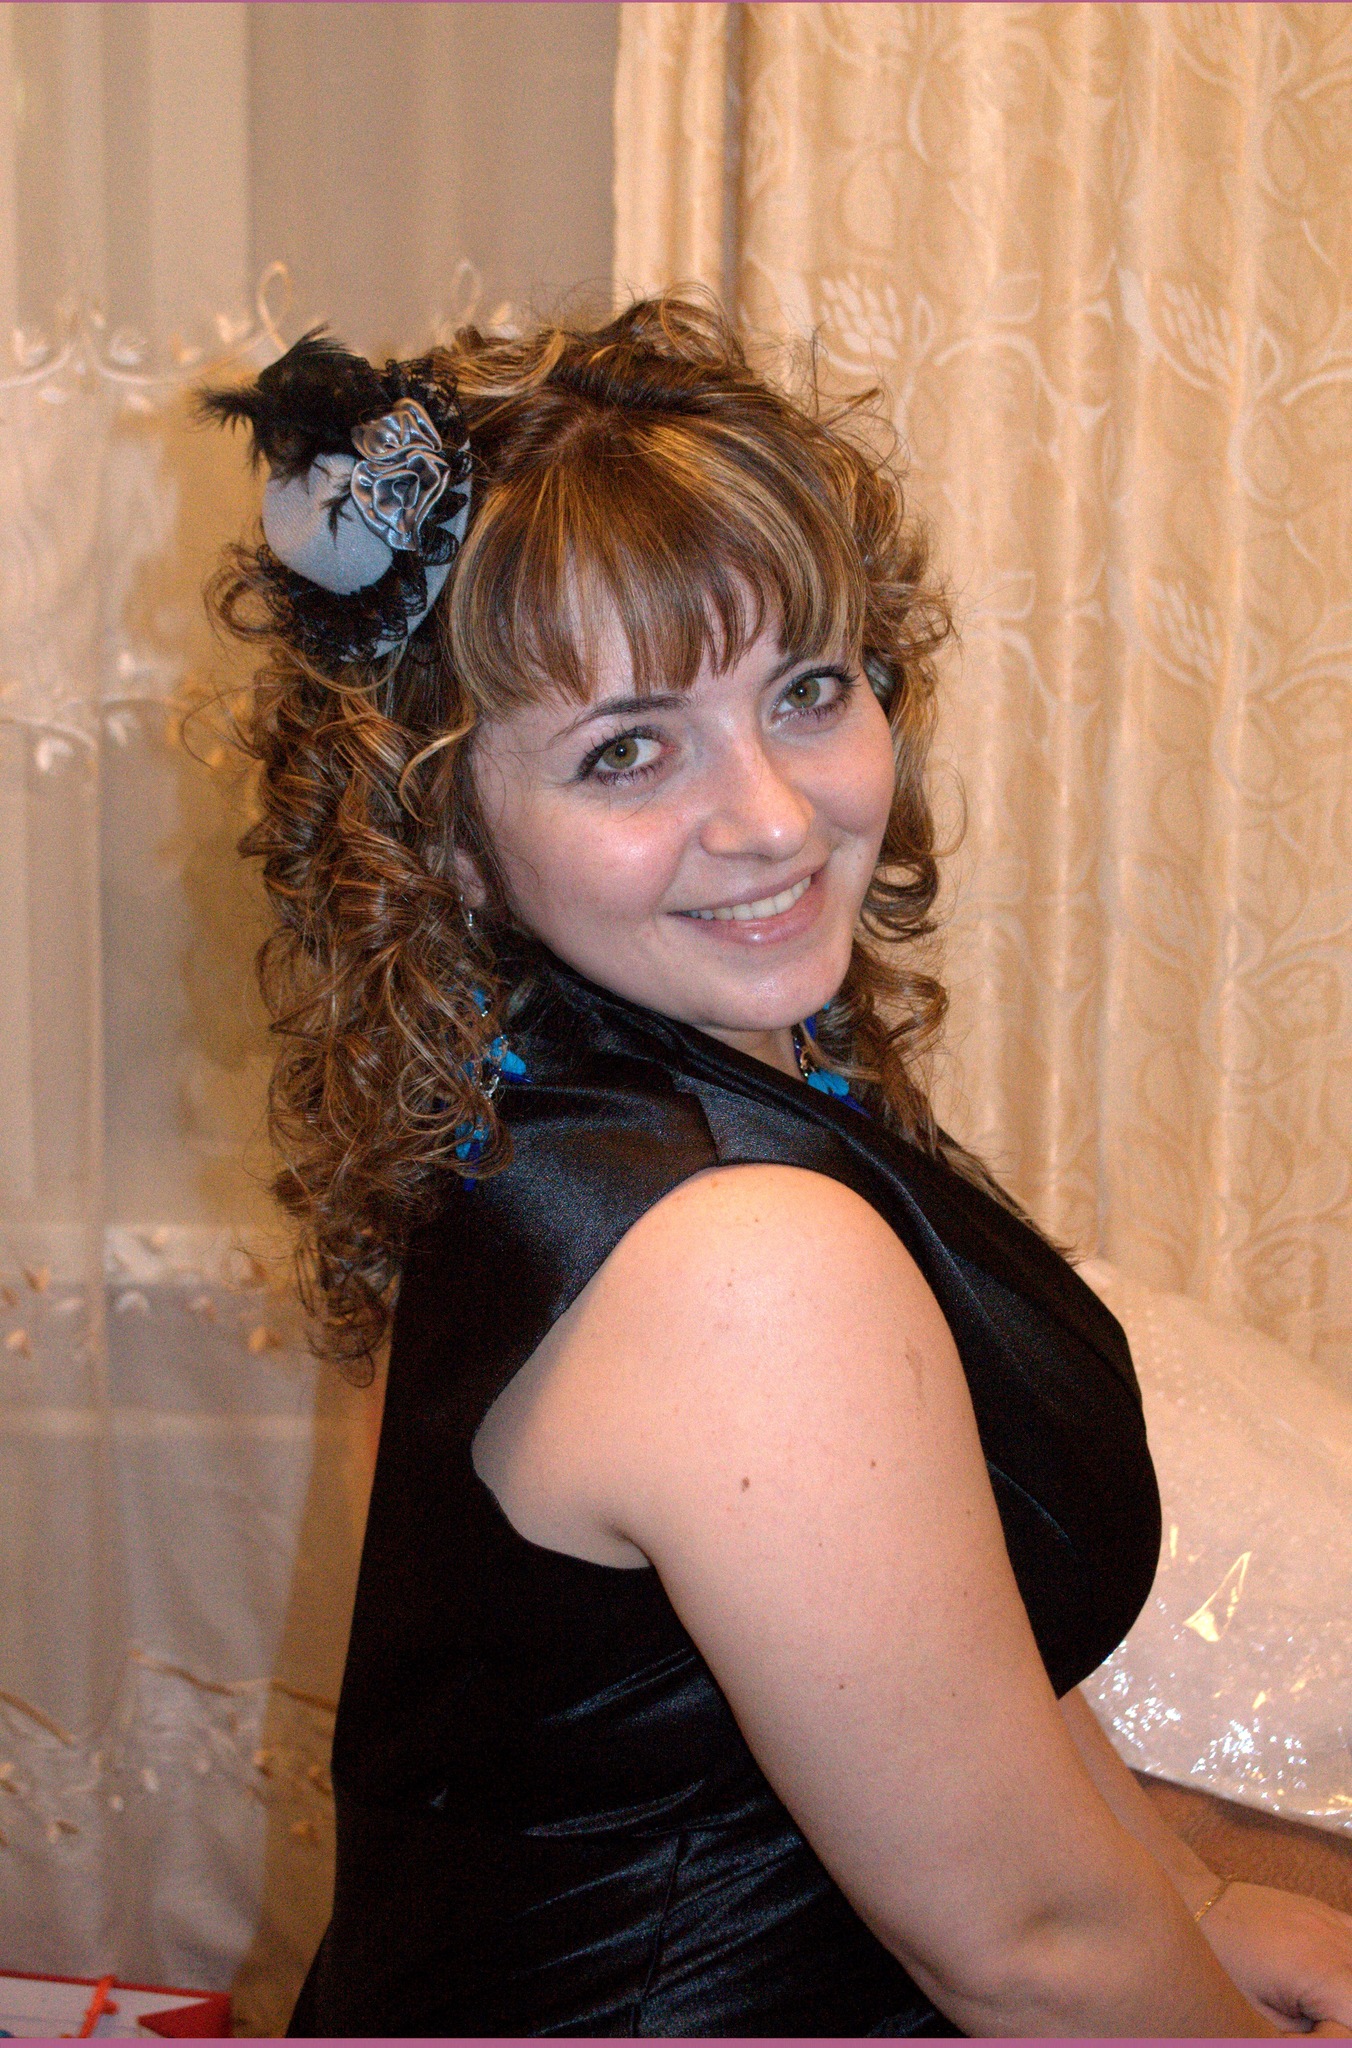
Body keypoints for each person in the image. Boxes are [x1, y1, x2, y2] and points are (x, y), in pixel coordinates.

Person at [205, 296, 1352, 2038]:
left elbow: (949, 1651)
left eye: (808, 691)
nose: (773, 817)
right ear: (449, 838)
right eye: (628, 749)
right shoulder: (734, 1258)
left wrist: (1201, 1904)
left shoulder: (566, 1088)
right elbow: (1029, 1946)